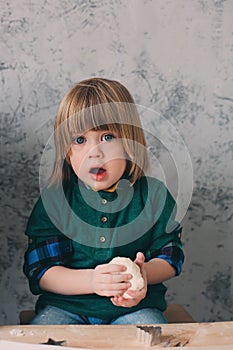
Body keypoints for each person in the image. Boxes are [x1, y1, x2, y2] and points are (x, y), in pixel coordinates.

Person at [23, 77, 184, 325]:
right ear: (67, 152)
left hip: (134, 309)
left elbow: (171, 256)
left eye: (107, 137)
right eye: (79, 140)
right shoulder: (56, 202)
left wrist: (142, 275)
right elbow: (42, 271)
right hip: (65, 308)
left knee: (152, 336)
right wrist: (92, 281)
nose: (94, 152)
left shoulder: (154, 196)